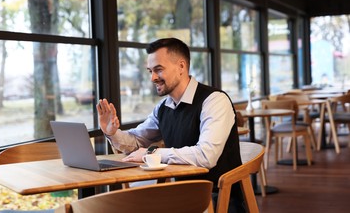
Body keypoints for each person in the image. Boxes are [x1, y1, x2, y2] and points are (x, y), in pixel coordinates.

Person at [97, 37, 244, 212]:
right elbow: (137, 140)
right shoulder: (164, 107)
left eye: (158, 70)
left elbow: (206, 156)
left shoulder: (214, 100)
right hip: (183, 196)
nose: (152, 78)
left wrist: (152, 153)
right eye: (150, 71)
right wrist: (112, 132)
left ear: (181, 67)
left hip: (217, 198)